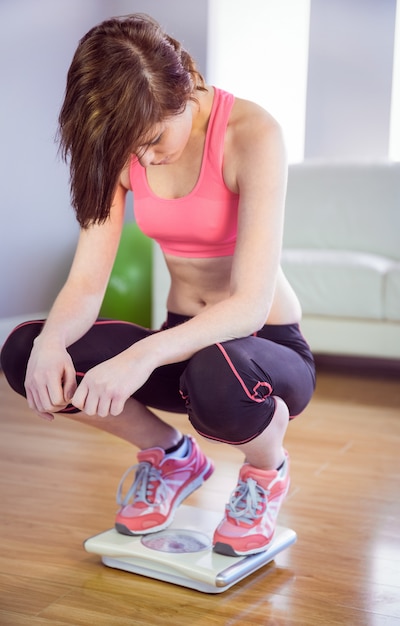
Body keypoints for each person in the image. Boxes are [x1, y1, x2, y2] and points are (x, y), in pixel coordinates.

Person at [0, 14, 315, 557]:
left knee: (218, 369)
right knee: (27, 349)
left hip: (261, 352)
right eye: (133, 147)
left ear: (183, 88)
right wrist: (52, 345)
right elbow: (86, 281)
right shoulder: (126, 143)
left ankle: (267, 473)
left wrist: (139, 356)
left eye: (152, 140)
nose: (144, 158)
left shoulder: (253, 135)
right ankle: (171, 456)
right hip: (177, 343)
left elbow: (248, 305)